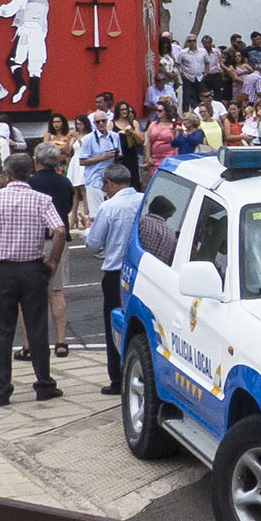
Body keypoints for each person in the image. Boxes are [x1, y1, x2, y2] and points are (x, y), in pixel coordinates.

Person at [0, 153, 66, 406]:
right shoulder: (42, 200)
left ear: (7, 175)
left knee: (2, 330)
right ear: (29, 174)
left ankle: (1, 390)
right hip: (32, 268)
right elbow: (60, 230)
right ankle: (44, 383)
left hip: (0, 271)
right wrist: (52, 259)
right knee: (37, 326)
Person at [85, 164, 140, 396]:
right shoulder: (143, 200)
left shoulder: (109, 207)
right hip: (141, 271)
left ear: (110, 182)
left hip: (116, 272)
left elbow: (93, 243)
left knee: (114, 326)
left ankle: (117, 378)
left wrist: (89, 228)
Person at [27, 142, 76, 358]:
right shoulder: (64, 182)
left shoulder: (29, 183)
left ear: (36, 160)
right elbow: (65, 208)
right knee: (57, 292)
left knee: (29, 295)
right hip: (58, 238)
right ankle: (61, 341)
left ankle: (30, 344)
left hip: (33, 239)